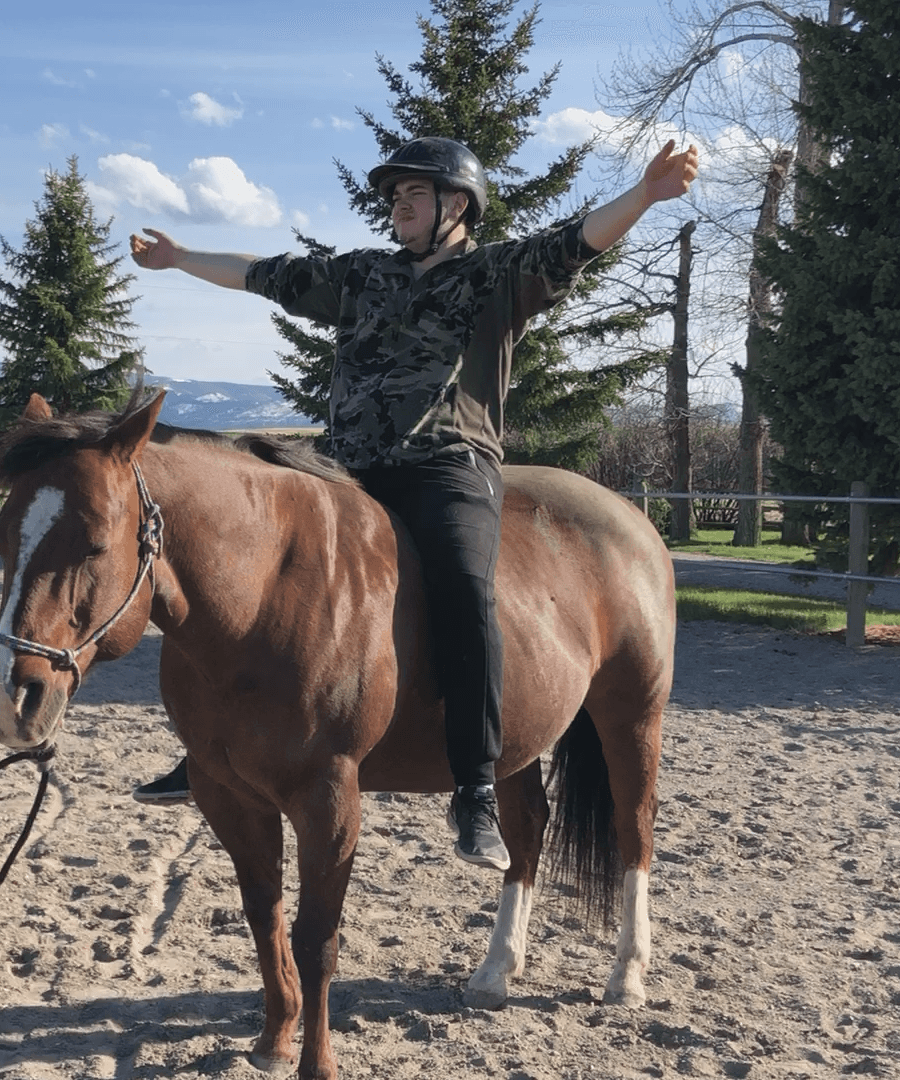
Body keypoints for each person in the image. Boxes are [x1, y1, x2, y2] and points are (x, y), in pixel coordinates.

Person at [126, 136, 699, 871]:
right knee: (243, 577)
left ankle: (475, 787)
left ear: (456, 205)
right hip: (343, 471)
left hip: (447, 468)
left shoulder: (495, 274)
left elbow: (574, 242)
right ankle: (210, 748)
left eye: (413, 194)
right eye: (393, 196)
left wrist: (644, 197)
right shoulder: (362, 275)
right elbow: (262, 275)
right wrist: (181, 259)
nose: (397, 204)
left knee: (465, 591)